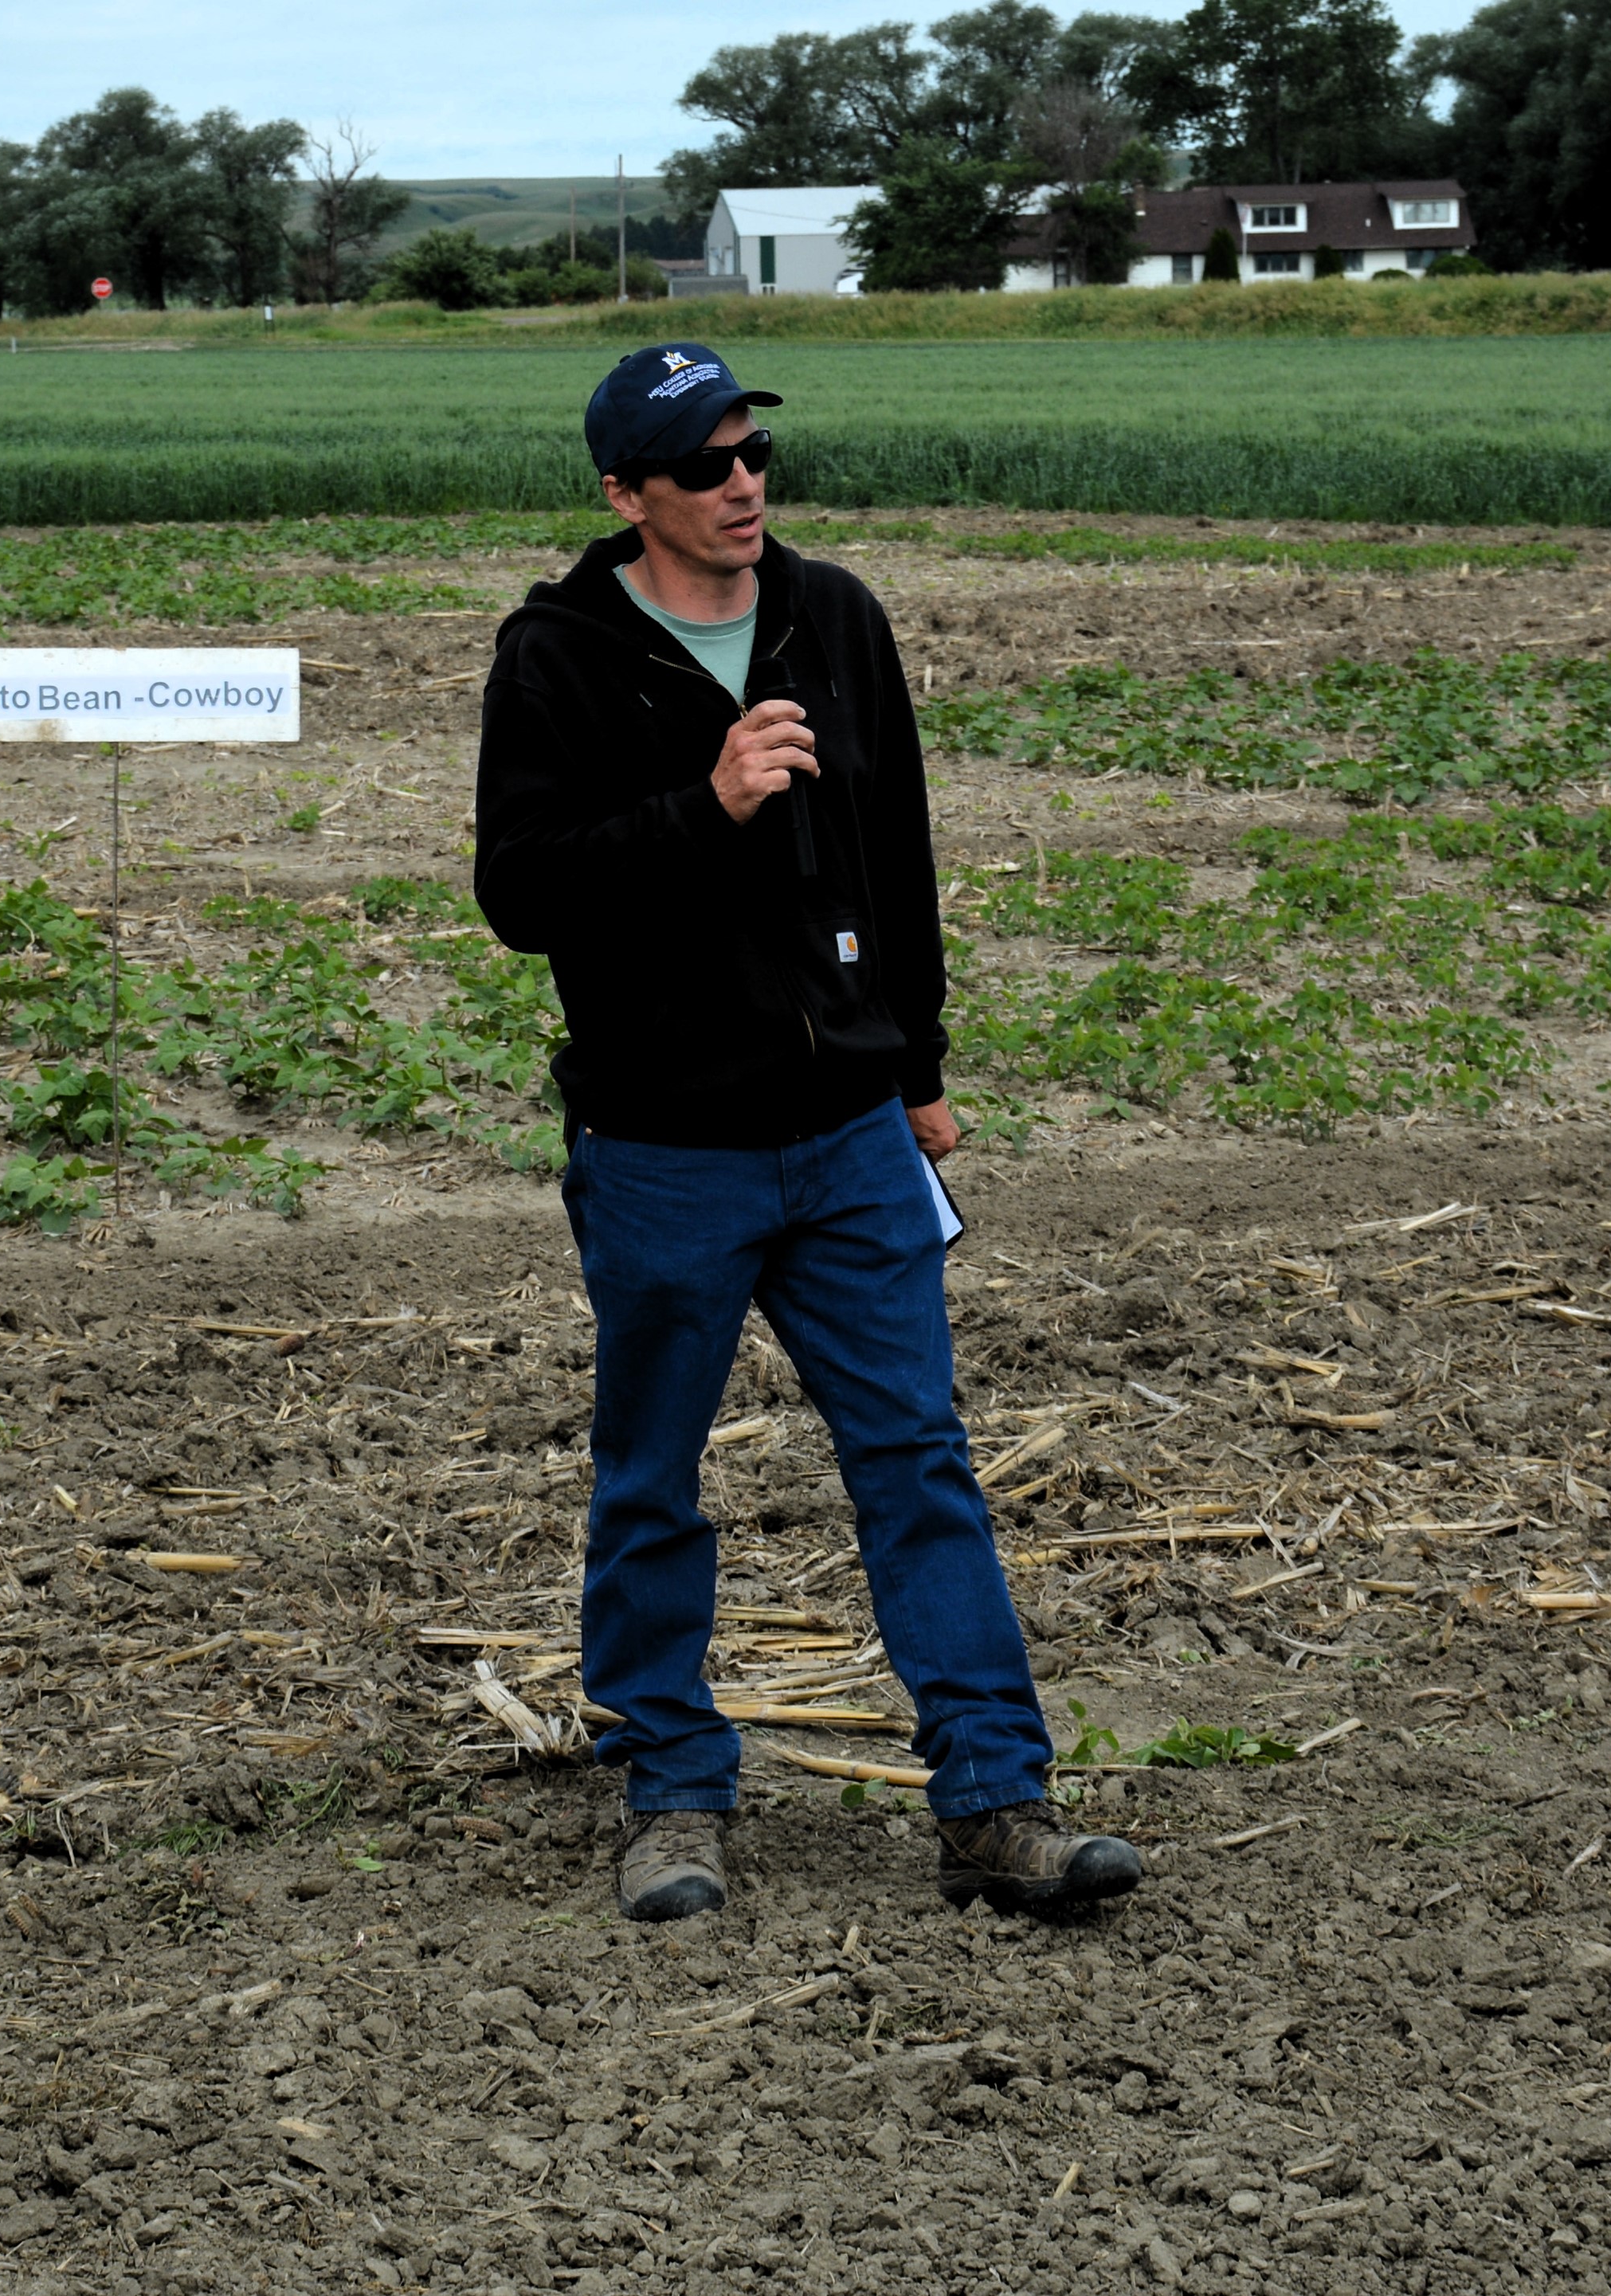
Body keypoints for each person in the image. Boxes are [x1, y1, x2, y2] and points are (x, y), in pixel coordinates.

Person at [471, 343, 1140, 1924]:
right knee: (652, 1481)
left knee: (920, 1463)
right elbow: (521, 893)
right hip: (664, 1148)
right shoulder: (557, 652)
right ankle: (674, 1789)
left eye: (752, 456)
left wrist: (915, 1065)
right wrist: (705, 804)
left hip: (848, 1134)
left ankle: (994, 1800)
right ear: (628, 495)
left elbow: (891, 849)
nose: (742, 486)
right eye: (700, 468)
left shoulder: (832, 618)